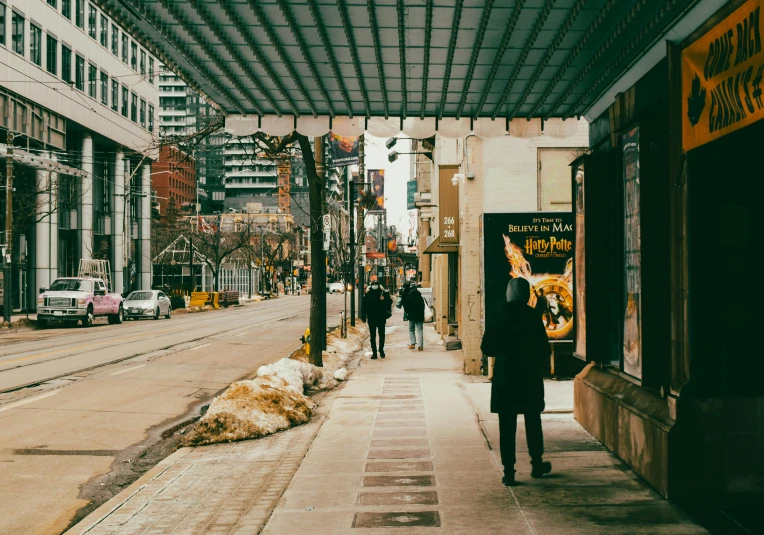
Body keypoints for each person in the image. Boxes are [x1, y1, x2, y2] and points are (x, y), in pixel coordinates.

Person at [481, 277, 552, 486]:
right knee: (533, 421)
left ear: (508, 294)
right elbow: (543, 349)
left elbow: (487, 348)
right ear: (526, 295)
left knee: (507, 425)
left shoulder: (498, 316)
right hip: (529, 376)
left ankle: (509, 471)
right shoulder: (532, 317)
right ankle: (537, 463)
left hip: (505, 377)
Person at [362, 276, 392, 359]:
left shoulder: (382, 293)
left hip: (381, 317)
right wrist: (364, 317)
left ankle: (381, 350)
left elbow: (389, 302)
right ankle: (374, 352)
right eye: (373, 284)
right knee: (373, 336)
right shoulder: (368, 294)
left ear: (378, 285)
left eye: (376, 284)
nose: (375, 285)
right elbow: (364, 306)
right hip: (372, 318)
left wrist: (385, 298)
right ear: (371, 285)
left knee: (381, 335)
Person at [403, 283, 425, 351]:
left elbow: (406, 306)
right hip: (419, 316)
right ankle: (420, 346)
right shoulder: (420, 297)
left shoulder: (409, 297)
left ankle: (413, 344)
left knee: (411, 330)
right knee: (420, 330)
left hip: (411, 316)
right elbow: (423, 307)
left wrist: (408, 313)